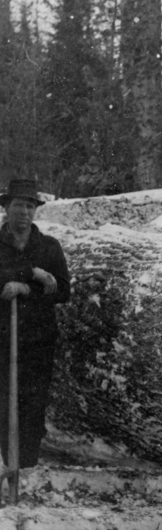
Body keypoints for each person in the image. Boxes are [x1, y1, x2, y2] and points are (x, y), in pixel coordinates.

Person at [0, 179, 70, 472]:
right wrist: (29, 272)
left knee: (32, 405)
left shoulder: (49, 247)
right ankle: (8, 465)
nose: (25, 212)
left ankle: (26, 469)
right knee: (4, 403)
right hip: (2, 339)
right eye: (19, 205)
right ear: (6, 208)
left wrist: (26, 289)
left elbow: (63, 291)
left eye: (30, 206)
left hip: (38, 339)